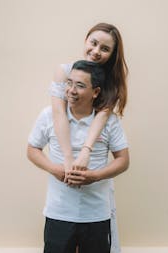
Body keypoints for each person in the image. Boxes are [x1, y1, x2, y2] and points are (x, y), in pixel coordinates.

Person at [27, 60, 130, 253]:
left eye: (80, 86)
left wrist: (95, 176)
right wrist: (54, 169)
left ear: (96, 92)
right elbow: (32, 149)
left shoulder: (109, 121)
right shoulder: (49, 115)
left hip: (96, 214)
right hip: (58, 212)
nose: (71, 90)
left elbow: (123, 160)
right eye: (69, 83)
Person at [49, 22, 128, 253]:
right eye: (93, 43)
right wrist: (66, 160)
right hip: (60, 202)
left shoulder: (110, 82)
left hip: (95, 197)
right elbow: (59, 116)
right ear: (86, 40)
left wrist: (85, 153)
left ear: (112, 55)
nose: (96, 51)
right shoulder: (65, 71)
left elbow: (100, 119)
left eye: (105, 49)